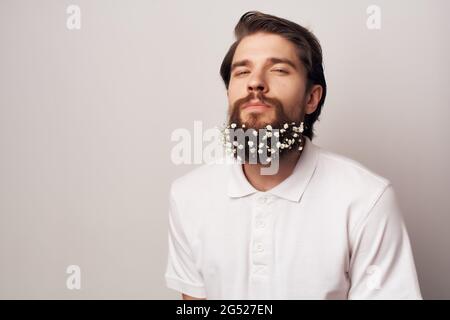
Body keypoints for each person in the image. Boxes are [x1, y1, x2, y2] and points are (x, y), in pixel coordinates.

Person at [164, 11, 422, 300]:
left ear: (312, 98)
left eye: (278, 69)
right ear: (229, 93)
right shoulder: (189, 195)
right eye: (242, 71)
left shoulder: (367, 199)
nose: (255, 83)